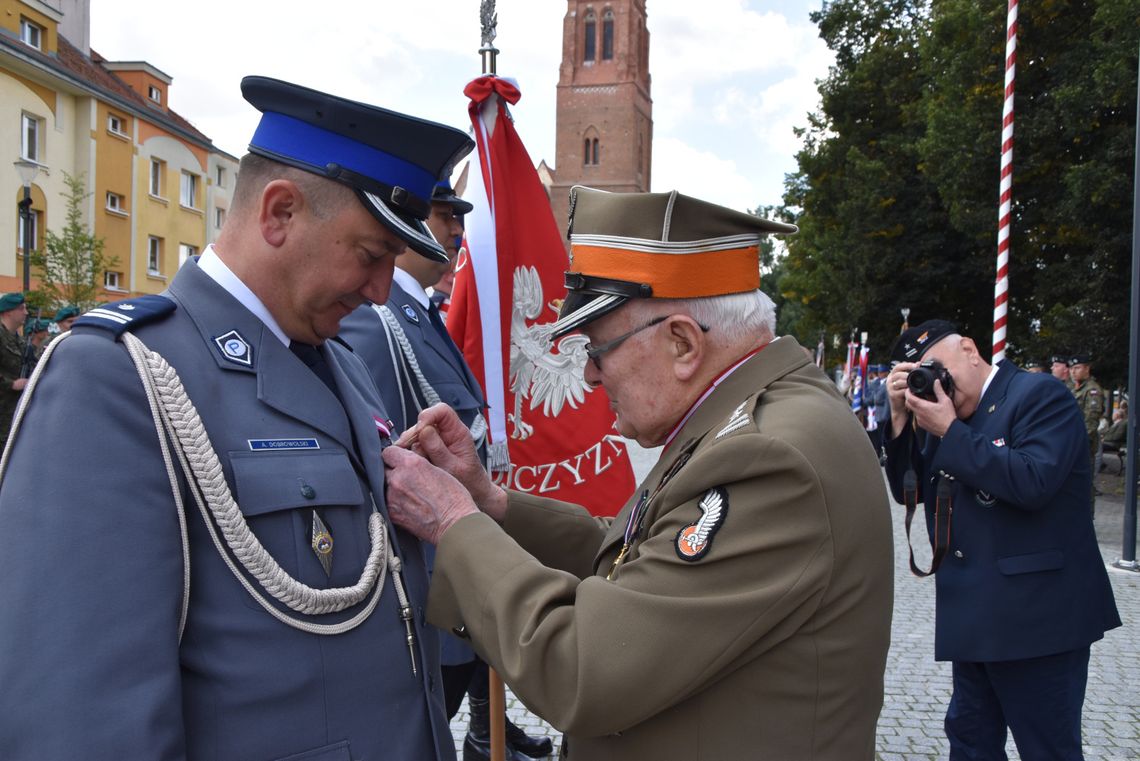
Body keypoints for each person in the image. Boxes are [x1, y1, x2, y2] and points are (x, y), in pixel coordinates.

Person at [0, 76, 475, 760]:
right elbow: (76, 721)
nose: (379, 292)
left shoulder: (338, 362)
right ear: (279, 213)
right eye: (371, 256)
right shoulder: (118, 377)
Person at [382, 186, 895, 760]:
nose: (593, 377)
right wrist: (492, 504)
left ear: (681, 342)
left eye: (598, 350)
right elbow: (639, 553)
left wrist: (455, 524)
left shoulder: (771, 458)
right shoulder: (749, 417)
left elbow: (585, 668)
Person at [338, 181, 550, 761]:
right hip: (431, 584)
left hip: (456, 573)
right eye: (441, 216)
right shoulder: (377, 322)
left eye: (459, 218)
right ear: (399, 220)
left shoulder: (417, 315)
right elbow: (383, 460)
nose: (457, 231)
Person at [883, 320, 1120, 761]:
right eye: (917, 371)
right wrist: (899, 419)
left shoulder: (1039, 395)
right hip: (973, 617)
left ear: (970, 350)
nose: (932, 378)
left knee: (1047, 748)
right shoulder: (945, 416)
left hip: (1038, 620)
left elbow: (1033, 482)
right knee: (970, 745)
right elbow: (908, 492)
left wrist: (950, 430)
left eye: (935, 365)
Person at [1069, 354, 1105, 503]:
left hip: (1084, 446)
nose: (1073, 371)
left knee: (1085, 486)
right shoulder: (1074, 389)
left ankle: (1088, 519)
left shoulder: (1092, 391)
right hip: (1072, 443)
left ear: (1087, 369)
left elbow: (1090, 423)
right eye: (1071, 368)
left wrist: (1078, 443)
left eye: (1077, 368)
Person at [0, 292, 30, 451]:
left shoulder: (21, 341)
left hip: (16, 410)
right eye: (21, 308)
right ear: (8, 311)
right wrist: (11, 384)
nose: (25, 312)